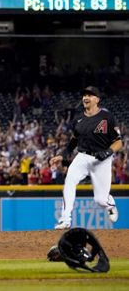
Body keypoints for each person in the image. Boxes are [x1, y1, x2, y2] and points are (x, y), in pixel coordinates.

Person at [50, 86, 122, 229]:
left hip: (102, 159)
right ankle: (65, 219)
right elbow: (74, 141)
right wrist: (62, 155)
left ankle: (110, 204)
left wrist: (107, 152)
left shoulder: (106, 117)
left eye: (90, 95)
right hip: (82, 156)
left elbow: (118, 142)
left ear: (97, 99)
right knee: (69, 181)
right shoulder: (78, 119)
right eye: (84, 95)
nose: (86, 98)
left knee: (100, 200)